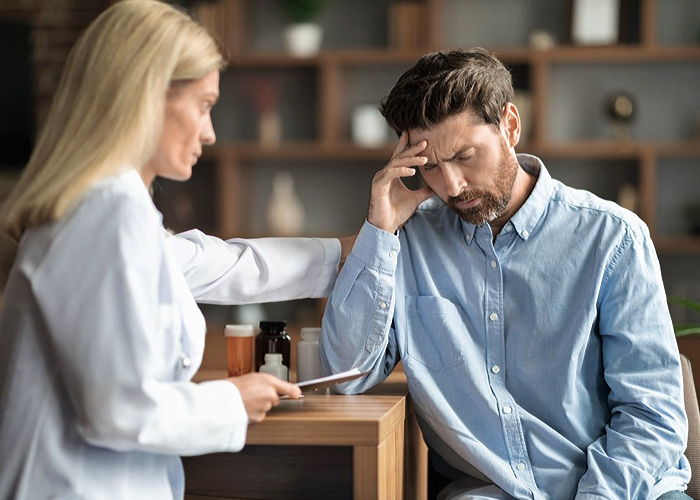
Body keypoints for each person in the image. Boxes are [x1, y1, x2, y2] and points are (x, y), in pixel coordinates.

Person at [0, 1, 352, 498]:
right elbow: (118, 411)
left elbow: (225, 265)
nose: (210, 132)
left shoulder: (115, 212)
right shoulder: (103, 217)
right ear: (145, 96)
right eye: (204, 105)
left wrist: (351, 252)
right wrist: (231, 400)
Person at [319, 48, 691, 500]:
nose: (451, 185)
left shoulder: (613, 238)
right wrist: (379, 230)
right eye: (430, 166)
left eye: (464, 155)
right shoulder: (408, 242)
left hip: (622, 491)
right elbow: (345, 375)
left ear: (510, 126)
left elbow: (652, 415)